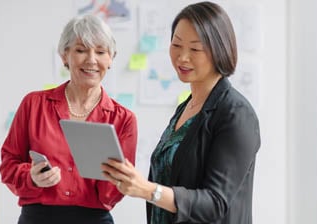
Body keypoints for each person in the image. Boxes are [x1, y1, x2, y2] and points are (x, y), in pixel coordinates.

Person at [101, 1, 260, 224]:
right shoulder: (187, 107)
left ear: (218, 50)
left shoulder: (236, 113)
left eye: (195, 49)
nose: (182, 57)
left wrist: (148, 190)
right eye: (176, 45)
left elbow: (215, 204)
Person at [0, 14, 137, 224]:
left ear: (110, 59)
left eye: (100, 52)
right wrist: (31, 177)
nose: (91, 60)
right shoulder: (33, 104)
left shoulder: (124, 119)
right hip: (38, 218)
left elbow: (115, 193)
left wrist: (118, 179)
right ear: (65, 56)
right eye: (81, 50)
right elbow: (8, 165)